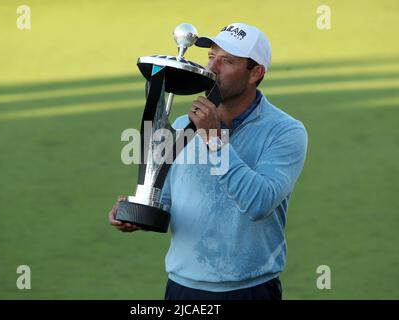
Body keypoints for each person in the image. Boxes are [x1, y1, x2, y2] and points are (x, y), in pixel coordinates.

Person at [108, 22, 308, 300]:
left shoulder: (286, 131)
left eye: (227, 61)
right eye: (212, 56)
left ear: (256, 73)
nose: (213, 68)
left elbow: (259, 202)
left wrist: (215, 139)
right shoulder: (181, 125)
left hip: (251, 290)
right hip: (182, 287)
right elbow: (165, 199)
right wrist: (137, 213)